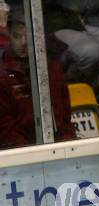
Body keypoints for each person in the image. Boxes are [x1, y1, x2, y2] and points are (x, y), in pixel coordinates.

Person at [0, 7, 76, 149]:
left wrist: (67, 146)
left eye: (28, 37)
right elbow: (6, 128)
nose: (23, 42)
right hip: (21, 153)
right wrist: (31, 153)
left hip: (57, 147)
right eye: (17, 36)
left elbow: (65, 117)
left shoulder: (51, 68)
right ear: (9, 35)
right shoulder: (3, 75)